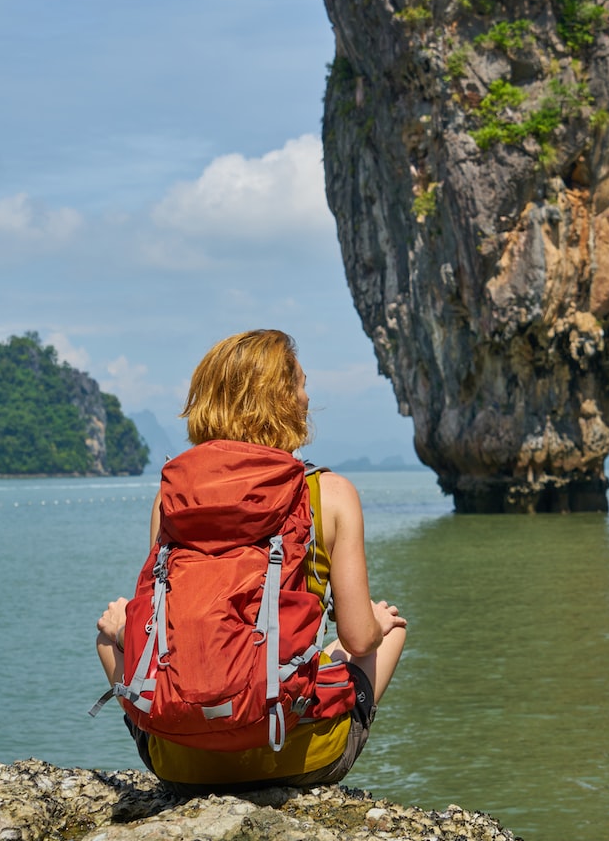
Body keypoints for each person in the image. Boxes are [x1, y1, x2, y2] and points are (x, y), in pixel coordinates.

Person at [95, 328, 407, 792]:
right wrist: (377, 622)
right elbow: (360, 639)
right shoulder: (330, 494)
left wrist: (121, 628)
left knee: (107, 634)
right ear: (283, 400)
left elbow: (157, 628)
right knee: (388, 630)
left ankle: (183, 744)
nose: (307, 395)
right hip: (298, 755)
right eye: (301, 383)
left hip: (181, 765)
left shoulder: (171, 498)